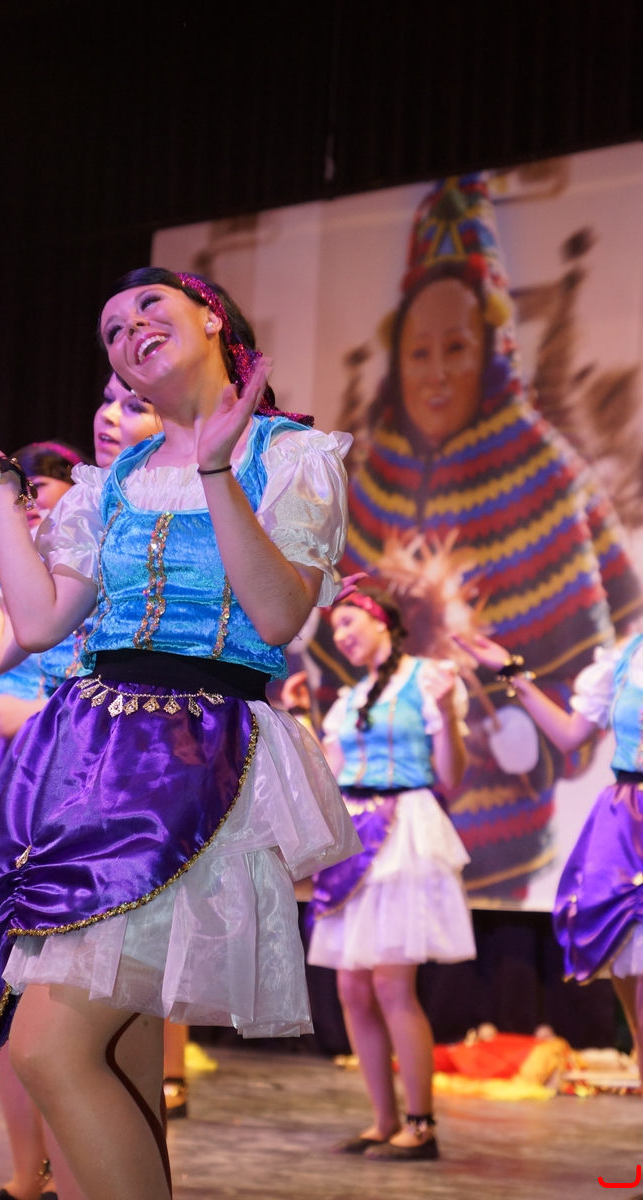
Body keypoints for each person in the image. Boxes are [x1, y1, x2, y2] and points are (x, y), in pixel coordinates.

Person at [0, 267, 360, 1200]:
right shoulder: (116, 481)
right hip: (88, 756)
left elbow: (276, 614)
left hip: (194, 756)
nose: (128, 329)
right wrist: (2, 490)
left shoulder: (291, 454)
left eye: (148, 309)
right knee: (117, 1060)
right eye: (110, 329)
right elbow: (38, 624)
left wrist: (216, 466)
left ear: (210, 317)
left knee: (51, 1050)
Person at [333, 173, 643, 901]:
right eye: (419, 352)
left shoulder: (548, 476)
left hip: (508, 831)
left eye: (458, 348)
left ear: (493, 352)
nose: (437, 374)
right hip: (370, 817)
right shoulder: (372, 486)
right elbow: (328, 644)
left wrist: (516, 723)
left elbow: (610, 641)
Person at [305, 580, 474, 1161]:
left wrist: (446, 712)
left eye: (348, 623)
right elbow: (328, 775)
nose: (342, 637)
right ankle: (383, 1121)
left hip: (406, 831)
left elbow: (450, 776)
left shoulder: (429, 680)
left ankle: (421, 1125)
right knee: (352, 986)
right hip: (357, 834)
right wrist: (299, 719)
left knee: (390, 983)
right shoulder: (351, 699)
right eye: (335, 630)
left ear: (381, 620)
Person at [456, 629, 643, 1071]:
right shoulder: (629, 654)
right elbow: (570, 736)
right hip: (627, 818)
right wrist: (511, 672)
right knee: (631, 971)